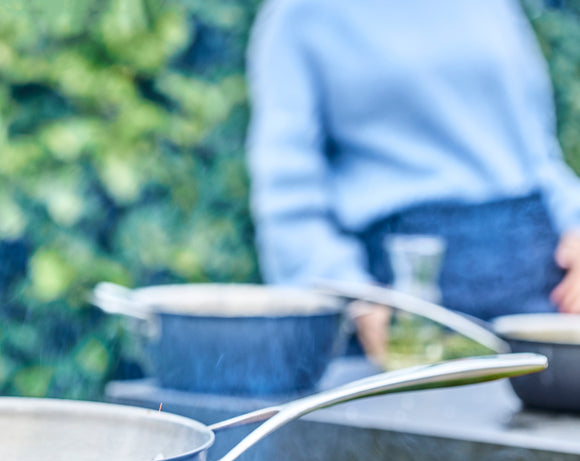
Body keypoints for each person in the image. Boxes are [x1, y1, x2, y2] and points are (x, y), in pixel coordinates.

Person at [245, 0, 580, 355]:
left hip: (538, 281)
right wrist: (349, 295)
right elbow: (286, 189)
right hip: (405, 297)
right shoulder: (302, 13)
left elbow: (538, 153)